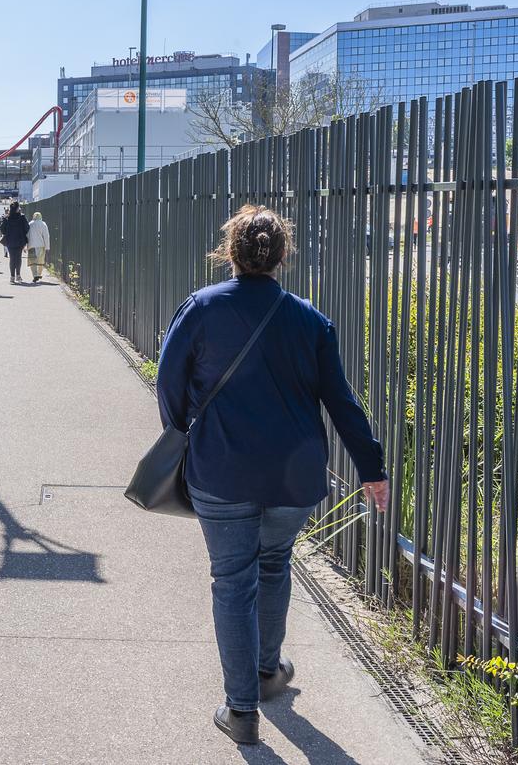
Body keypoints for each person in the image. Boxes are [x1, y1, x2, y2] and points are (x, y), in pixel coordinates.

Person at [155, 204, 389, 747]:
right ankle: (266, 672)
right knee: (273, 564)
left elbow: (169, 380)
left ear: (229, 251)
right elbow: (341, 402)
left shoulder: (203, 308)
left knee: (232, 580)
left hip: (221, 472)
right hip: (293, 479)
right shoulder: (309, 319)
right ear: (282, 256)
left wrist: (184, 430)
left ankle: (241, 711)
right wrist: (371, 469)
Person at [1, 200, 29, 283]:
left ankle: (12, 276)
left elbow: (2, 230)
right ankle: (18, 275)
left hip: (10, 240)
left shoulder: (7, 218)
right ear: (18, 208)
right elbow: (27, 228)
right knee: (18, 258)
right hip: (20, 240)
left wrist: (8, 232)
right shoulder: (22, 217)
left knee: (12, 258)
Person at [26, 211, 51, 281]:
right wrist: (47, 247)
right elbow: (46, 236)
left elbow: (27, 235)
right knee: (40, 261)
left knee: (33, 261)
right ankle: (39, 274)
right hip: (41, 245)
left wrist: (26, 245)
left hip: (31, 245)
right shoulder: (43, 224)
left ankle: (35, 275)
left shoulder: (30, 224)